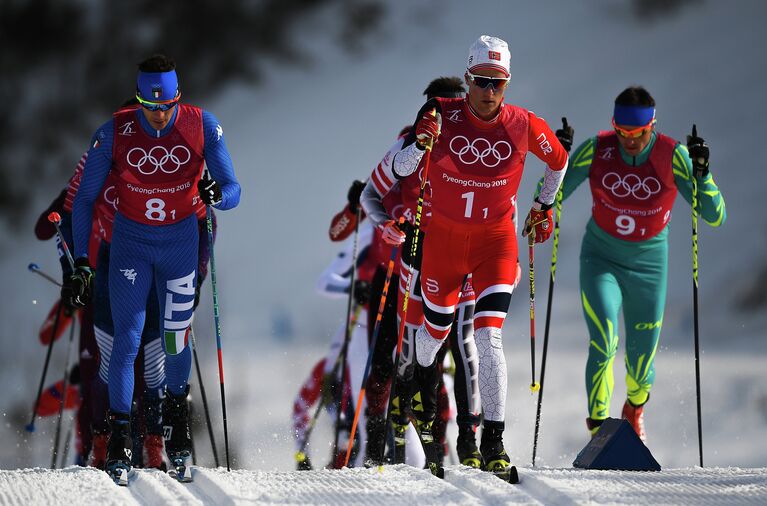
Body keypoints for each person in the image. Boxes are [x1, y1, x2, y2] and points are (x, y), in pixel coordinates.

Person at [367, 35, 569, 477]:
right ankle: (416, 389)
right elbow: (396, 171)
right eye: (481, 81)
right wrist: (419, 145)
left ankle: (492, 441)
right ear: (467, 79)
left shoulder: (523, 123)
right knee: (432, 338)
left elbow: (559, 160)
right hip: (443, 243)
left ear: (508, 83)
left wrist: (543, 205)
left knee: (485, 338)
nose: (489, 92)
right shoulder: (439, 113)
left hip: (495, 243)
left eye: (498, 83)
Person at [70, 54, 240, 484]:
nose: (160, 115)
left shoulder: (201, 124)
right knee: (127, 340)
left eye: (167, 106)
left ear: (178, 98)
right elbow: (83, 200)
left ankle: (177, 430)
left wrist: (217, 193)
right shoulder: (114, 132)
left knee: (175, 339)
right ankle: (121, 441)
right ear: (140, 102)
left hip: (180, 246)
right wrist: (83, 264)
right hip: (130, 247)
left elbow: (235, 190)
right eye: (150, 107)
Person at [543, 86, 726, 442]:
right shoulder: (598, 148)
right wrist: (558, 162)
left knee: (640, 365)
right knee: (604, 341)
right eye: (622, 132)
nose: (629, 141)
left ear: (651, 126)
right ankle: (597, 426)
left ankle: (634, 408)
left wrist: (703, 176)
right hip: (601, 259)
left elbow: (714, 215)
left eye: (638, 134)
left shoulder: (673, 155)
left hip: (648, 266)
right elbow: (551, 195)